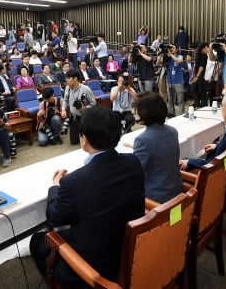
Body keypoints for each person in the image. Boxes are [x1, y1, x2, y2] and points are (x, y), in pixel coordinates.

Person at [29, 107, 145, 289]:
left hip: (96, 267)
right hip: (130, 248)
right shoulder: (133, 162)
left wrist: (55, 186)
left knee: (38, 241)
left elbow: (54, 217)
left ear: (84, 139)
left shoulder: (74, 182)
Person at [125, 91, 183, 203]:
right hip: (176, 189)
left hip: (157, 197)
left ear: (144, 113)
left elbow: (136, 173)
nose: (135, 112)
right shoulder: (172, 131)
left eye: (137, 109)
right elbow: (159, 153)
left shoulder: (143, 139)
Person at [61, 69, 95, 145]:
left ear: (75, 79)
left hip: (84, 118)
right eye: (66, 78)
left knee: (87, 142)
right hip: (73, 118)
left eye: (69, 78)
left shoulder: (86, 89)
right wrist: (63, 110)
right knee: (74, 141)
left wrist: (84, 108)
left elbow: (93, 104)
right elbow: (65, 100)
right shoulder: (67, 88)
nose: (67, 80)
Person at [157, 43, 185, 116]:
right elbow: (157, 63)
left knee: (180, 100)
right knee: (170, 100)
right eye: (170, 48)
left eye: (173, 48)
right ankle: (171, 114)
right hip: (169, 81)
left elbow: (179, 61)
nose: (171, 49)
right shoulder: (167, 58)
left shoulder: (180, 56)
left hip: (179, 81)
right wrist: (161, 54)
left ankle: (182, 114)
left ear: (176, 50)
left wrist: (171, 54)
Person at [191, 42, 209, 108]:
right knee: (193, 89)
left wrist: (197, 76)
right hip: (196, 74)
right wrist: (193, 75)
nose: (194, 50)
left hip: (201, 75)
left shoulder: (203, 54)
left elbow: (202, 66)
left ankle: (204, 106)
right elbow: (196, 65)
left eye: (195, 48)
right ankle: (197, 105)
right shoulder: (197, 54)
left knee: (202, 91)